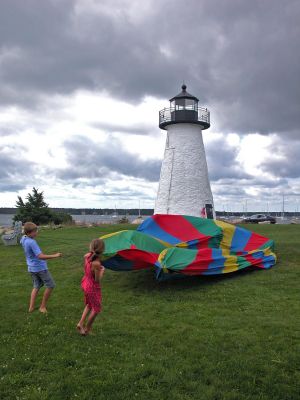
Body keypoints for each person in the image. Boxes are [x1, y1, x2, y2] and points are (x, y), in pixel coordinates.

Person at [20, 222, 62, 313]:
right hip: (40, 268)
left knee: (36, 286)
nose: (37, 232)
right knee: (51, 285)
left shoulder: (23, 239)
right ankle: (42, 307)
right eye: (35, 231)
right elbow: (40, 256)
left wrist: (31, 236)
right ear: (29, 232)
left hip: (31, 268)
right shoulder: (32, 242)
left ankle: (31, 307)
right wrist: (55, 255)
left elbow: (24, 238)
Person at [77, 238, 105, 336]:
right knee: (96, 309)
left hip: (85, 283)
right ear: (102, 250)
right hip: (92, 287)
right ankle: (87, 329)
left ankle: (80, 324)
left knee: (89, 304)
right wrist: (102, 271)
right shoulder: (96, 263)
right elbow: (97, 280)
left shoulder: (87, 256)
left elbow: (89, 261)